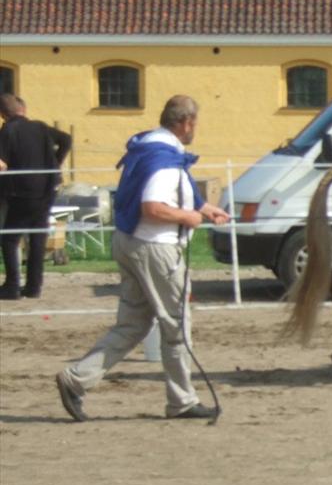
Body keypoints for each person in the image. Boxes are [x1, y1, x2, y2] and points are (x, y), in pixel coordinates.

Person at [55, 95, 230, 422]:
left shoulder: (149, 147)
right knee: (176, 326)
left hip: (130, 242)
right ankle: (182, 401)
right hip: (156, 249)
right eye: (195, 124)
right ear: (186, 123)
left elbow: (174, 190)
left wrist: (205, 209)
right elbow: (153, 206)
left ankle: (76, 379)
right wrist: (189, 218)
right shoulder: (163, 159)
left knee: (133, 324)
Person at [0, 94, 72, 299]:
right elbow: (66, 139)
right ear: (23, 110)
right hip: (47, 189)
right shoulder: (40, 127)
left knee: (9, 238)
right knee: (37, 238)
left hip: (21, 191)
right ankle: (33, 287)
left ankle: (12, 286)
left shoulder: (7, 131)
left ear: (3, 115)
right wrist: (55, 164)